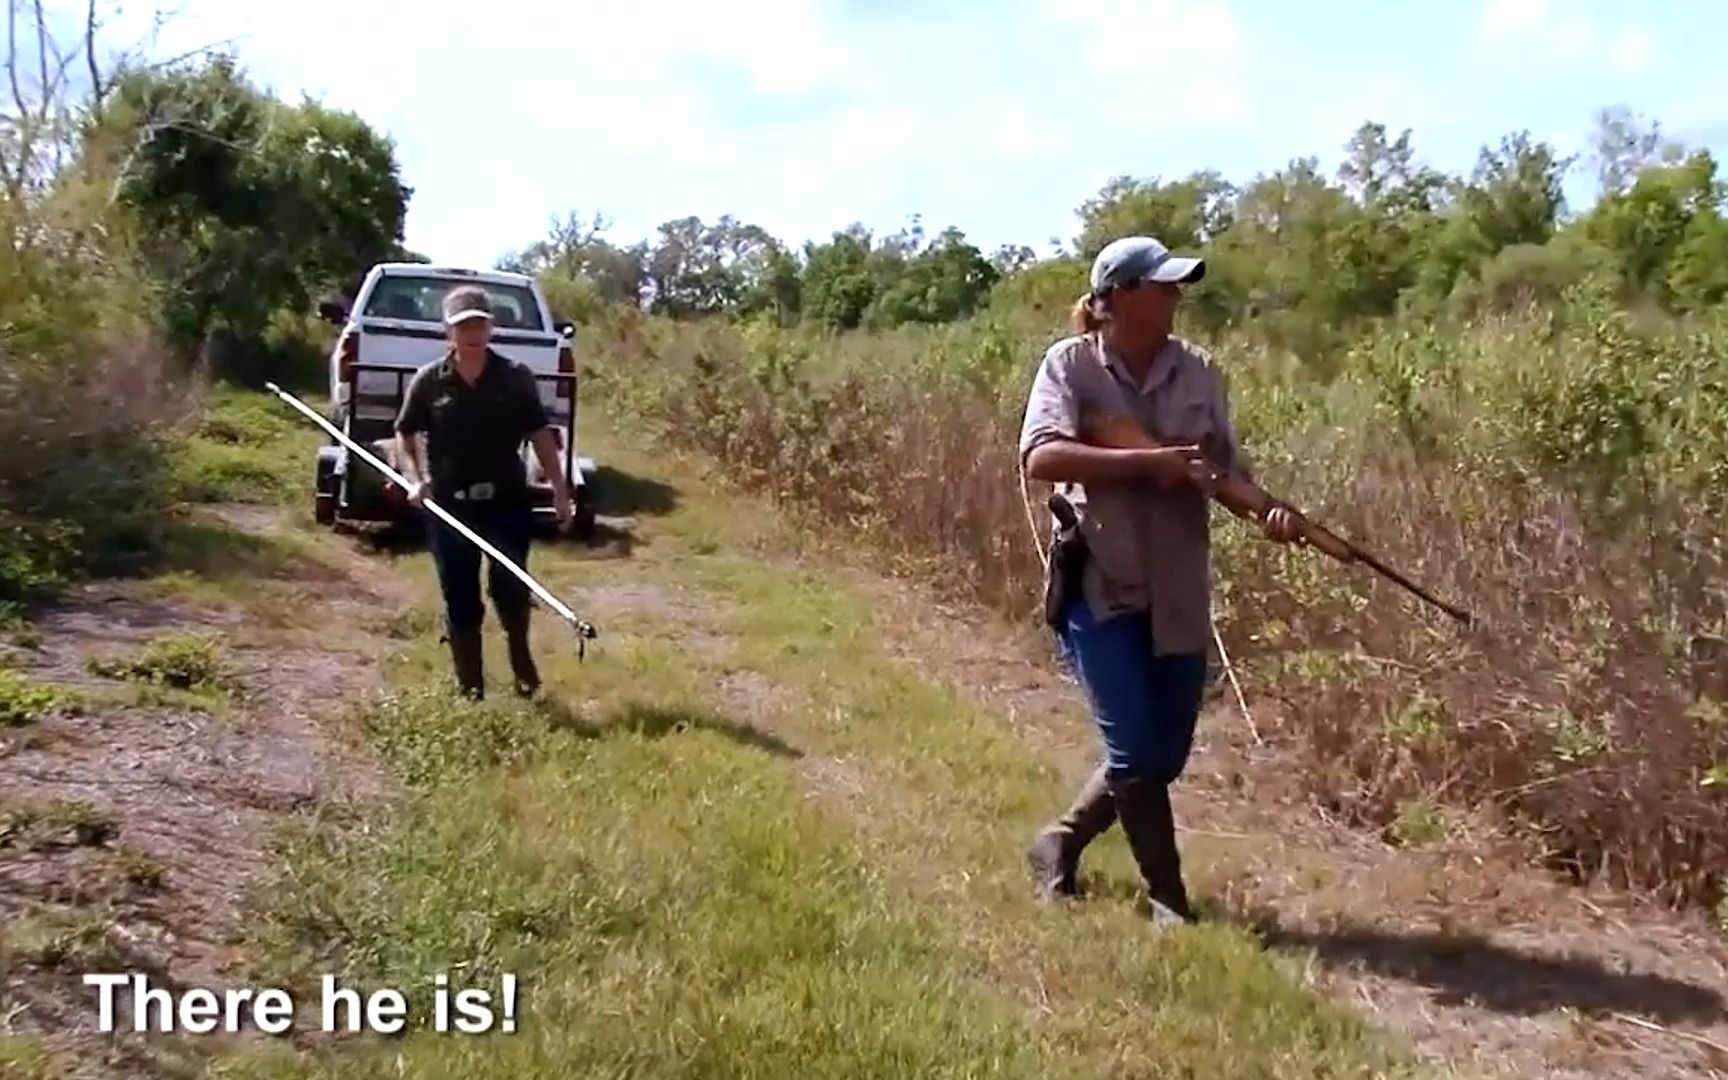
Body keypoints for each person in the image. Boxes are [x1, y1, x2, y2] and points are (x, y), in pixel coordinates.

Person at [1018, 235, 1301, 924]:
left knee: (1163, 752)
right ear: (1115, 299)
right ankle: (1167, 898)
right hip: (1101, 582)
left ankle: (1061, 838)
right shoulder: (1070, 367)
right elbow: (1042, 457)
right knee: (1136, 748)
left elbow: (1222, 471)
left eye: (1177, 285)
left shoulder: (1199, 372)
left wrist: (1268, 510)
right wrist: (1150, 465)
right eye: (1162, 285)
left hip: (1178, 583)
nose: (1176, 295)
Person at [394, 285, 573, 701]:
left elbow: (541, 438)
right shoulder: (429, 381)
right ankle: (470, 688)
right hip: (449, 505)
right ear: (448, 332)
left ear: (491, 328)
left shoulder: (515, 378)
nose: (473, 332)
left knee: (510, 585)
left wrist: (560, 491)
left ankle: (521, 662)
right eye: (464, 326)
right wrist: (414, 477)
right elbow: (404, 433)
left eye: (480, 323)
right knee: (460, 597)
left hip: (506, 500)